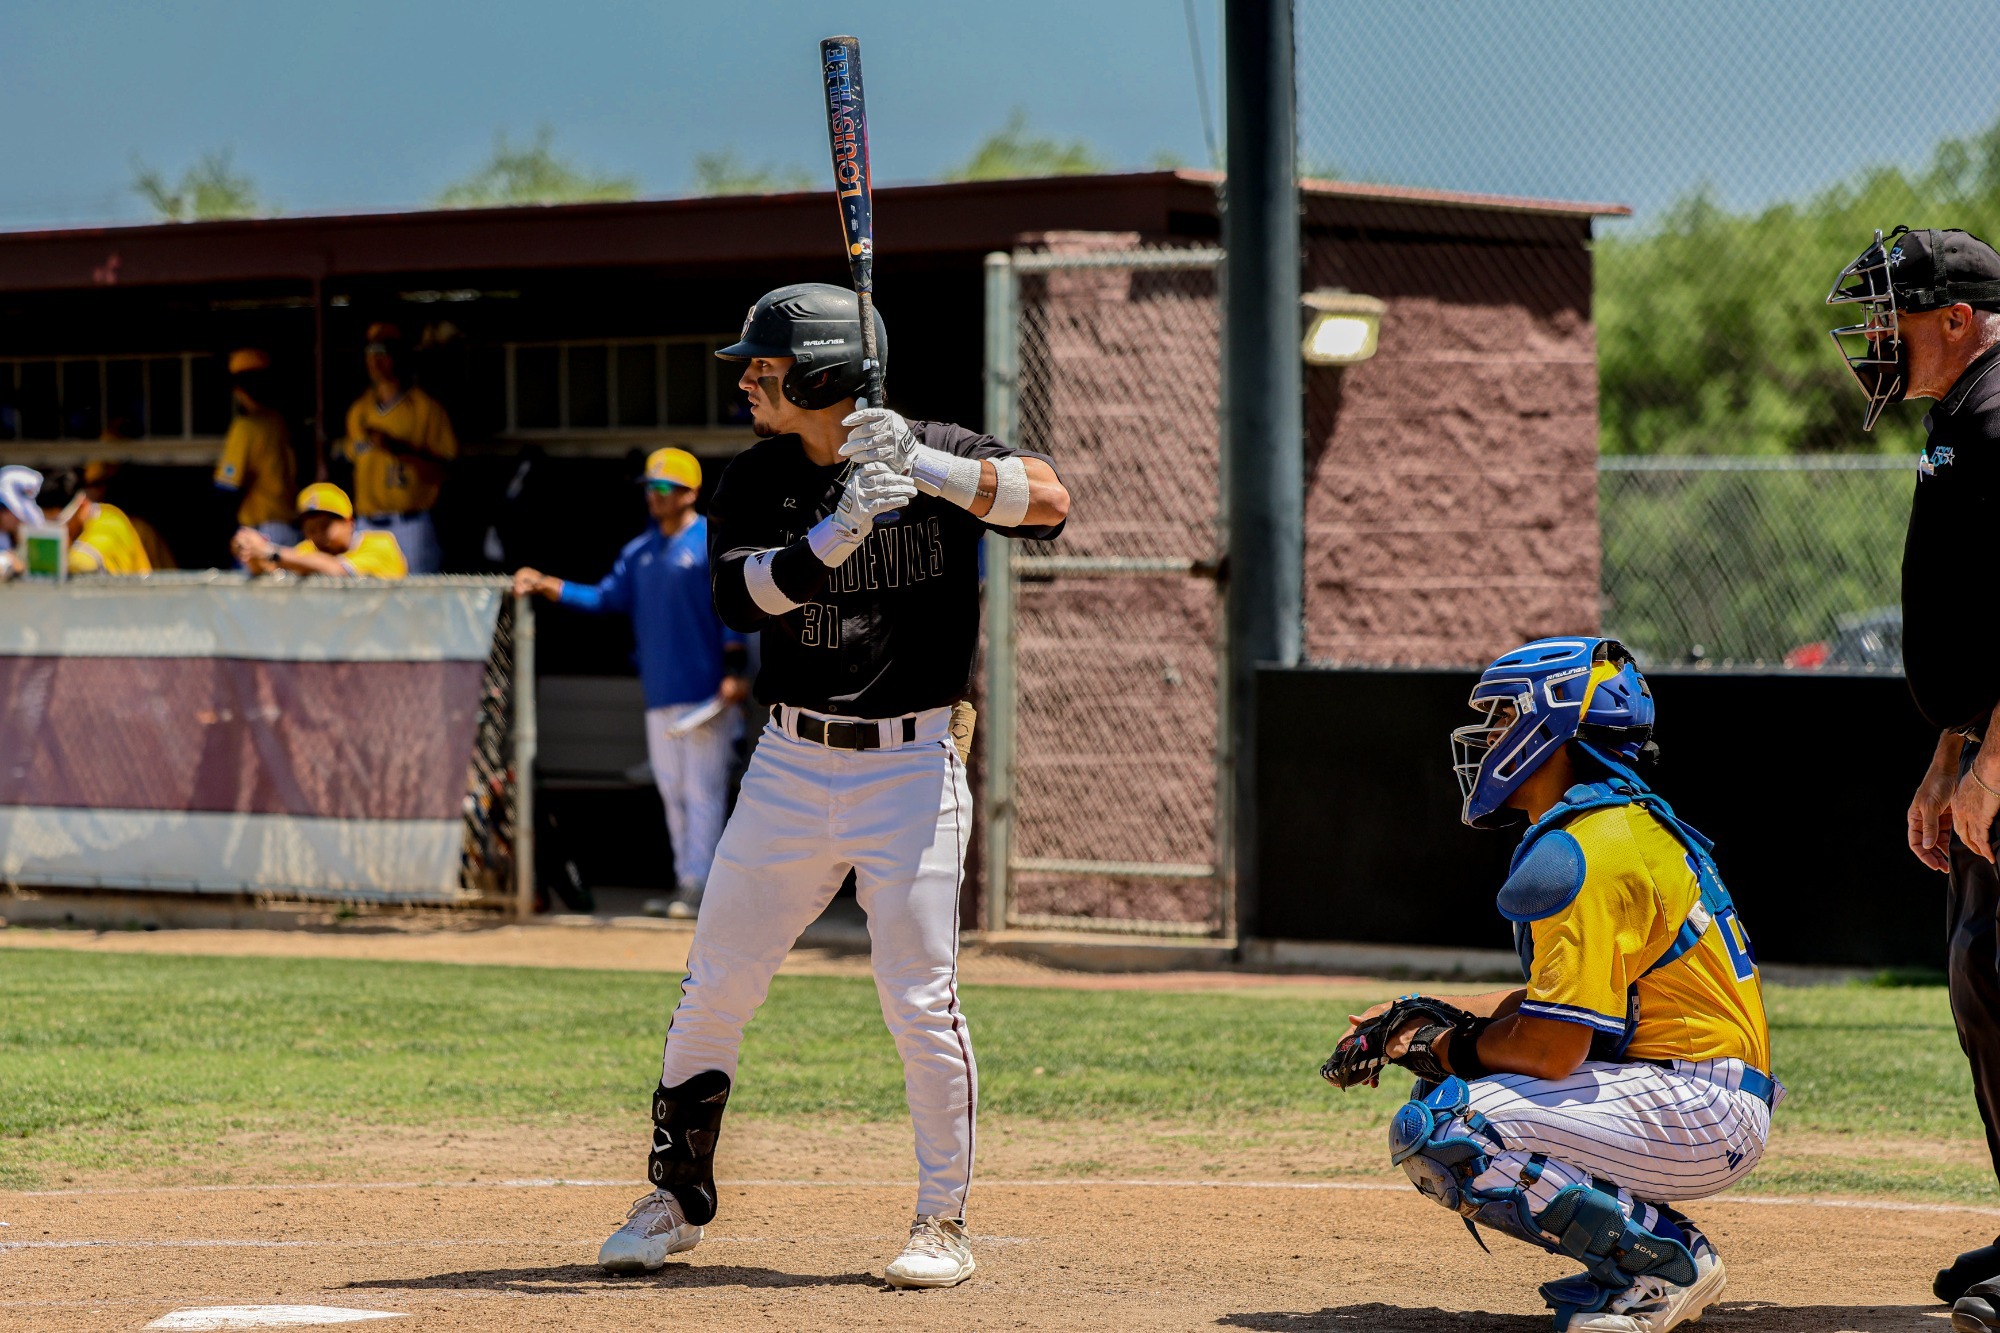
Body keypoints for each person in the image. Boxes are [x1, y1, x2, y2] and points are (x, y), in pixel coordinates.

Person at [593, 283, 1070, 1288]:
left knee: (919, 998)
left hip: (912, 765)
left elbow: (1048, 503)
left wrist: (926, 468)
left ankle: (941, 1220)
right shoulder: (756, 477)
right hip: (789, 763)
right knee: (714, 983)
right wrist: (840, 528)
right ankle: (673, 1197)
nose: (747, 383)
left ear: (819, 375)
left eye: (764, 369)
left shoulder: (932, 445)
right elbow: (740, 599)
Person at [1328, 638, 1775, 1333]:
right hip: (1702, 1096)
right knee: (1453, 1099)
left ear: (1552, 726)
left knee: (1445, 1124)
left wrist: (1442, 1046)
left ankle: (1661, 1268)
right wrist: (1411, 1014)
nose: (1489, 737)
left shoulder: (1589, 845)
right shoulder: (1616, 824)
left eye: (1506, 717)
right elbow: (1557, 1007)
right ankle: (1651, 1249)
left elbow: (1552, 1046)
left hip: (1695, 1105)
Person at [1827, 226, 2000, 1321]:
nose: (1876, 336)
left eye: (1893, 314)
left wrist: (1995, 761)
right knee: (1984, 983)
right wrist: (1947, 755)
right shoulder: (1959, 413)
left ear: (1957, 317)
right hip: (1980, 748)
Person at [513, 447, 751, 918]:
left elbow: (736, 609)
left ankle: (703, 887)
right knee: (672, 793)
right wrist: (548, 584)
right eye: (649, 488)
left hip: (708, 694)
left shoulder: (712, 540)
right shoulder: (638, 551)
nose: (654, 496)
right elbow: (605, 598)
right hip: (659, 692)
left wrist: (736, 672)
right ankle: (687, 882)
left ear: (690, 492)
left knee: (702, 792)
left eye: (664, 487)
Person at [341, 323, 456, 573]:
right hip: (367, 524)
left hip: (410, 523)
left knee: (416, 593)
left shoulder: (425, 409)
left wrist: (400, 450)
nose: (375, 361)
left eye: (383, 352)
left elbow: (447, 470)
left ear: (399, 356)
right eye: (371, 353)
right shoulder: (358, 411)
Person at [0, 465, 152, 578]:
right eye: (48, 524)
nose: (56, 531)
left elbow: (84, 563)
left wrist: (24, 566)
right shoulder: (77, 530)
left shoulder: (109, 523)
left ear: (83, 506)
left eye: (60, 523)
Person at [214, 348, 298, 551]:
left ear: (238, 390)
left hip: (262, 532)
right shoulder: (280, 422)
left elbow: (227, 487)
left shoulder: (246, 427)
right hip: (290, 528)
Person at [232, 482, 407, 580]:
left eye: (325, 527)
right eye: (310, 529)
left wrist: (269, 551)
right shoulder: (309, 550)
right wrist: (249, 551)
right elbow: (270, 571)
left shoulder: (380, 543)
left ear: (349, 523)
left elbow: (337, 571)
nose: (317, 535)